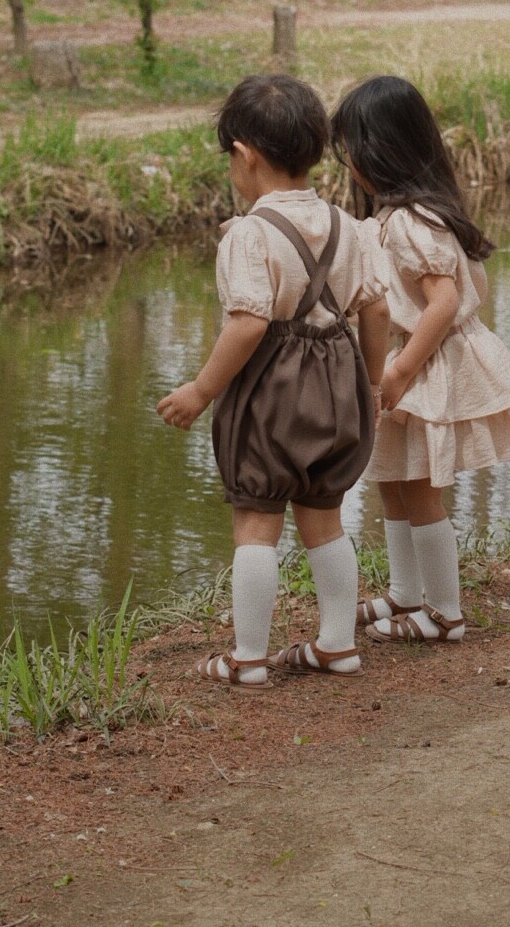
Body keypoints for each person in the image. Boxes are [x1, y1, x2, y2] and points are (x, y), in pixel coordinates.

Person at [157, 74, 390, 686]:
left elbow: (248, 323)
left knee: (257, 519)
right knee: (324, 514)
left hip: (271, 392)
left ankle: (249, 658)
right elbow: (377, 311)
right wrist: (370, 387)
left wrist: (200, 391)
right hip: (338, 386)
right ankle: (338, 644)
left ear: (244, 154)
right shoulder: (349, 227)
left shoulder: (249, 234)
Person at [331, 75, 510, 645]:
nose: (350, 164)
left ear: (382, 150)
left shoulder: (412, 221)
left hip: (423, 364)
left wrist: (398, 372)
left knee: (420, 488)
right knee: (392, 481)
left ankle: (445, 613)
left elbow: (442, 303)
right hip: (405, 361)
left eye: (353, 150)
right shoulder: (393, 217)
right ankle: (406, 593)